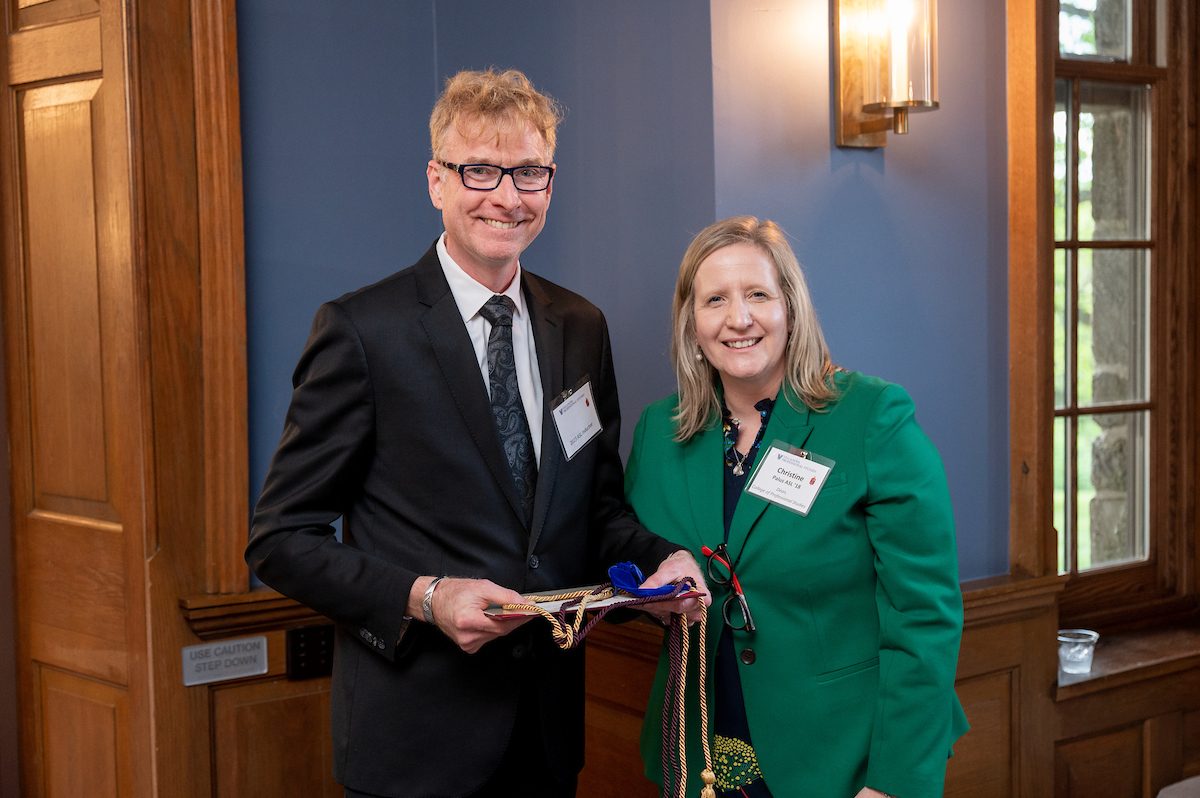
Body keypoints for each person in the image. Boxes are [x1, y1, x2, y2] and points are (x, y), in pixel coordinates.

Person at [246, 68, 705, 798]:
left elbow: (595, 509)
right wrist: (426, 597)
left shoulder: (580, 328)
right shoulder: (364, 331)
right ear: (437, 181)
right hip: (415, 743)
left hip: (547, 736)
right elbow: (279, 539)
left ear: (550, 185)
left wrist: (660, 560)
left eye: (528, 172)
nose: (506, 195)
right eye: (480, 170)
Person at [625, 216, 968, 798]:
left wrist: (893, 784)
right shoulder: (660, 432)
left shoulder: (871, 418)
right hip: (699, 757)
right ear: (692, 322)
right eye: (715, 300)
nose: (739, 318)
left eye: (758, 294)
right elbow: (634, 559)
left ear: (791, 307)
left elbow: (924, 618)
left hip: (840, 761)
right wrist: (651, 595)